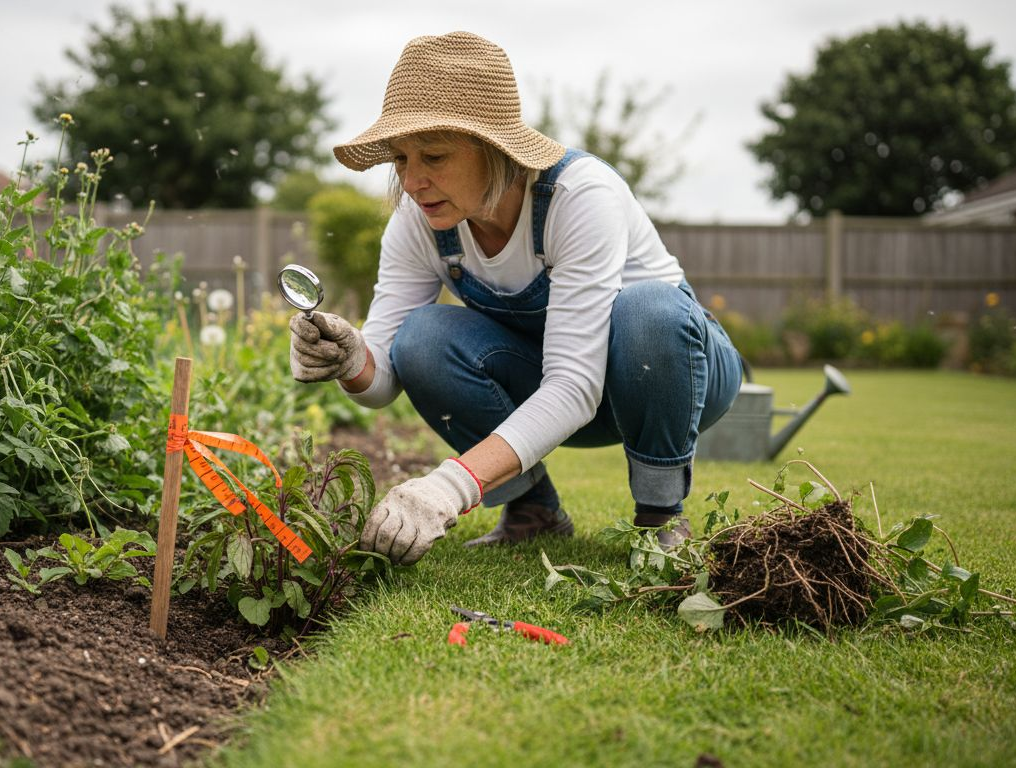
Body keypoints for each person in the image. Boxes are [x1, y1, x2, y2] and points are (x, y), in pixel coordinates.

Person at [289, 31, 742, 566]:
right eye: (401, 159)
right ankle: (533, 512)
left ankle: (661, 518)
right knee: (422, 339)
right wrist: (350, 358)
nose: (411, 181)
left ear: (495, 150)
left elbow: (575, 384)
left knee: (648, 310)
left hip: (675, 377)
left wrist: (451, 486)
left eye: (433, 156)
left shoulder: (578, 196)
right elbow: (386, 379)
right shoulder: (420, 223)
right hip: (563, 391)